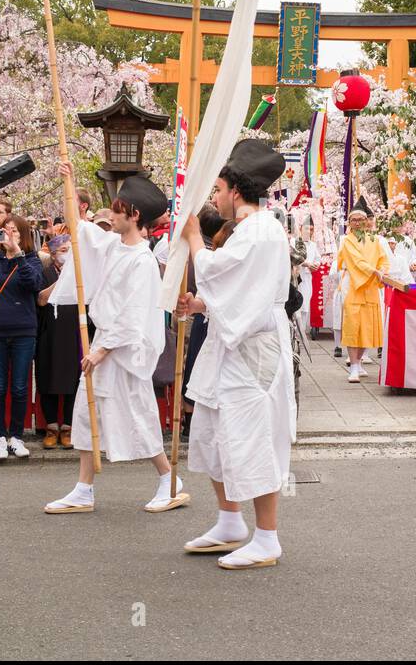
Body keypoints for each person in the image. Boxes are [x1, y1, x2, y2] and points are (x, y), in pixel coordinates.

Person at [176, 139, 295, 569]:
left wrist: (194, 241)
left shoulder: (261, 230)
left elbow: (217, 272)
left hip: (254, 348)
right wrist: (203, 304)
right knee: (213, 428)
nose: (214, 199)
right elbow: (239, 290)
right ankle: (229, 520)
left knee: (252, 435)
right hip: (235, 342)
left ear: (235, 192)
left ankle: (267, 537)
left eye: (218, 190)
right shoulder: (253, 230)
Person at [43, 171, 186, 514]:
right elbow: (83, 231)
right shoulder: (114, 246)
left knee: (136, 413)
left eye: (118, 210)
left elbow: (134, 312)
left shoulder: (142, 260)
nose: (111, 214)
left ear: (134, 215)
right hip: (106, 342)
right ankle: (83, 488)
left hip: (124, 349)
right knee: (87, 411)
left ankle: (170, 479)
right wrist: (67, 181)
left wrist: (104, 349)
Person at [0, 215, 44, 460]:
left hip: (23, 331)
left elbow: (33, 284)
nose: (9, 235)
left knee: (20, 386)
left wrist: (18, 255)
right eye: (5, 231)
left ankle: (17, 436)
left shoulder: (32, 261)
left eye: (15, 231)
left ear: (24, 236)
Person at [34, 233, 82, 450]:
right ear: (53, 255)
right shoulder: (45, 273)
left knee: (74, 380)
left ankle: (68, 427)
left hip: (74, 332)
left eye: (70, 250)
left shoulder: (80, 275)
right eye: (63, 251)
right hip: (49, 332)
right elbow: (41, 299)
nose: (68, 255)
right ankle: (51, 427)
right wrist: (63, 279)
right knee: (48, 378)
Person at [337, 206, 389, 383]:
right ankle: (353, 366)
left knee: (367, 327)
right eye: (354, 220)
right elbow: (356, 262)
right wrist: (375, 271)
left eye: (361, 219)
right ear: (349, 223)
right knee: (353, 326)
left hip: (371, 286)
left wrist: (382, 269)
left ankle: (358, 362)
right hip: (353, 285)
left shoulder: (374, 239)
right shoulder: (347, 241)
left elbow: (383, 258)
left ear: (367, 221)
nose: (358, 223)